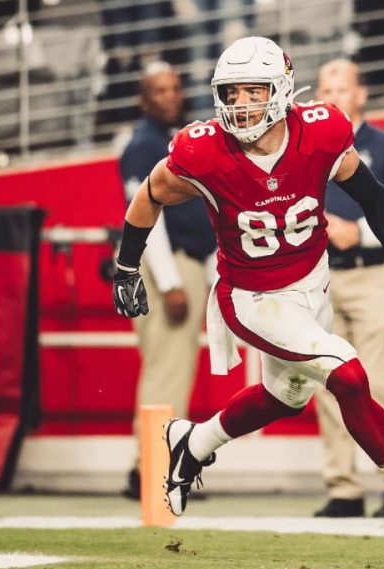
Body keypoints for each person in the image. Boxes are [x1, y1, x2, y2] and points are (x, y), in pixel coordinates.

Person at [112, 36, 384, 544]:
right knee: (347, 375)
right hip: (252, 297)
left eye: (252, 92)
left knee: (285, 396)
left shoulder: (319, 133)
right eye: (231, 94)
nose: (239, 105)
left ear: (280, 90)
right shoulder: (204, 149)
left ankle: (192, 443)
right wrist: (128, 267)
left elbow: (370, 192)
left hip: (311, 285)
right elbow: (149, 196)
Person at [311, 59, 384, 519]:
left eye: (341, 88)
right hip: (316, 276)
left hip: (369, 272)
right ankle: (343, 489)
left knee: (381, 382)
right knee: (327, 383)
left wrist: (357, 231)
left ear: (361, 95)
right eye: (324, 87)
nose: (332, 96)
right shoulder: (304, 144)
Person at [117, 62, 216, 499]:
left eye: (175, 87)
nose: (170, 96)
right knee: (166, 373)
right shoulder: (143, 145)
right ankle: (153, 469)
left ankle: (154, 465)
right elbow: (144, 218)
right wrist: (171, 280)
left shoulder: (167, 141)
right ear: (144, 99)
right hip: (169, 267)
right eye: (159, 89)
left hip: (184, 263)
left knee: (168, 371)